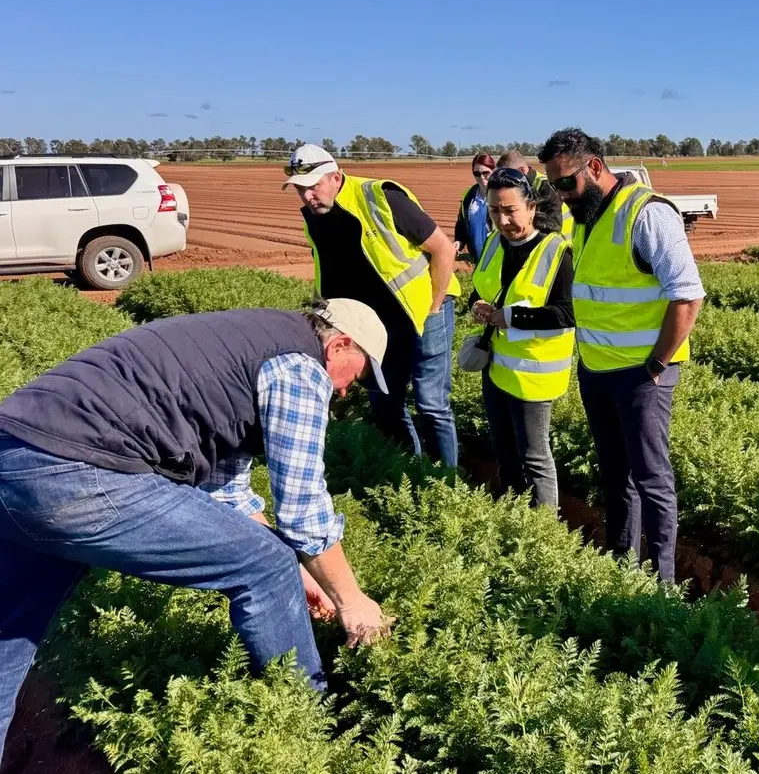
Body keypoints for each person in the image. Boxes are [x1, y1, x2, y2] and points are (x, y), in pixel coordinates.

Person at [0, 299, 395, 760]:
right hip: (74, 471)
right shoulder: (299, 367)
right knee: (264, 565)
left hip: (15, 455)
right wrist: (351, 600)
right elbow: (303, 511)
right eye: (357, 376)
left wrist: (304, 574)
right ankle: (308, 728)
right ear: (340, 346)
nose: (348, 393)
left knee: (9, 627)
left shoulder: (248, 343)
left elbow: (227, 494)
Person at [539, 127, 704, 583]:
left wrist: (655, 365)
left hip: (641, 375)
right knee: (616, 475)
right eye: (553, 185)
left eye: (566, 183)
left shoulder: (647, 214)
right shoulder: (587, 217)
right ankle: (621, 565)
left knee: (651, 479)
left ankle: (662, 583)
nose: (562, 195)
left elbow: (687, 297)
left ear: (594, 167)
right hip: (597, 372)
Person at [284, 145, 461, 469]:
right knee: (383, 400)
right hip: (377, 324)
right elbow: (327, 269)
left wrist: (434, 309)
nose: (308, 195)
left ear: (336, 177)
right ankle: (412, 470)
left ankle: (446, 482)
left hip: (425, 312)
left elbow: (443, 249)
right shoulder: (314, 218)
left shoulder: (381, 198)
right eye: (300, 188)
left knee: (431, 403)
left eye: (313, 185)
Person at [463, 168, 575, 510]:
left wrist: (508, 318)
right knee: (504, 449)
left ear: (531, 206)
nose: (503, 219)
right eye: (495, 211)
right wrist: (477, 306)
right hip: (496, 368)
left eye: (510, 210)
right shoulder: (495, 243)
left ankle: (543, 531)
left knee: (535, 457)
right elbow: (481, 288)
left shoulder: (557, 252)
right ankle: (514, 511)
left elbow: (568, 315)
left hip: (534, 375)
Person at [496, 148, 575, 238]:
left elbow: (554, 225)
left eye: (510, 174)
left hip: (560, 243)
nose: (506, 179)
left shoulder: (546, 186)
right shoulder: (518, 187)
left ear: (522, 170)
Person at [454, 153, 495, 264]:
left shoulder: (501, 194)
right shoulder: (469, 195)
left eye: (486, 173)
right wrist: (459, 241)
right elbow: (462, 223)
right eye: (477, 173)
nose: (481, 177)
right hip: (476, 259)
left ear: (493, 171)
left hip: (497, 259)